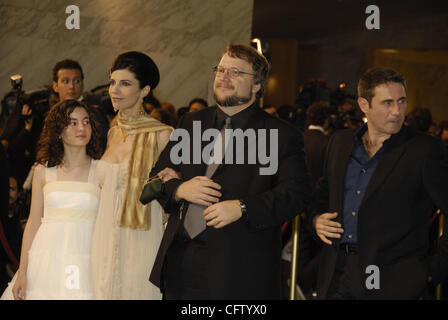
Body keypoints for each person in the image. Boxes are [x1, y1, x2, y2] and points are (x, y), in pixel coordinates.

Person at [149, 43, 311, 299]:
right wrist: (180, 189)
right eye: (221, 70)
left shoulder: (281, 135)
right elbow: (155, 177)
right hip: (181, 262)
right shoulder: (192, 123)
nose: (224, 77)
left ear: (257, 85)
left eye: (236, 73)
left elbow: (296, 195)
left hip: (239, 270)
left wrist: (243, 208)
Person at [311, 67, 448, 299]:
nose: (397, 111)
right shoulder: (339, 143)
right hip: (338, 275)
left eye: (401, 101)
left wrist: (435, 270)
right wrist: (316, 220)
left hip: (396, 282)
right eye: (387, 103)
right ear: (364, 105)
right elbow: (323, 193)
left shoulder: (424, 150)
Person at [90, 51, 173, 300]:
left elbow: (172, 193)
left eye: (125, 83)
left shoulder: (163, 134)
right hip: (103, 233)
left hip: (142, 237)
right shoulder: (112, 133)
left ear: (145, 90)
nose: (115, 90)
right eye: (113, 82)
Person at [1, 99, 102, 299]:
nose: (81, 127)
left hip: (88, 258)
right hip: (45, 259)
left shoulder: (102, 170)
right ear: (58, 130)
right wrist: (22, 271)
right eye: (72, 123)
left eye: (86, 121)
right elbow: (33, 223)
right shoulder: (43, 170)